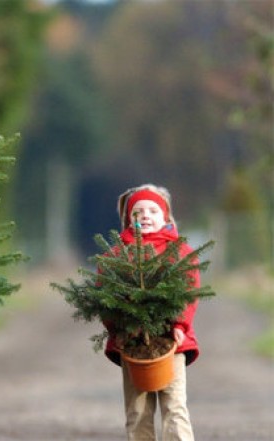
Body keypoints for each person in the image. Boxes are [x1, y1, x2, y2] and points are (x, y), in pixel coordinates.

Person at [105, 183, 200, 441]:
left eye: (152, 211)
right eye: (138, 212)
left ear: (165, 217)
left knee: (175, 407)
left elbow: (188, 292)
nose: (145, 216)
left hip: (171, 342)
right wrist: (121, 329)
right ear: (128, 219)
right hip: (133, 344)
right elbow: (107, 298)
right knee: (137, 411)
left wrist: (179, 326)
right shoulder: (118, 255)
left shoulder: (178, 252)